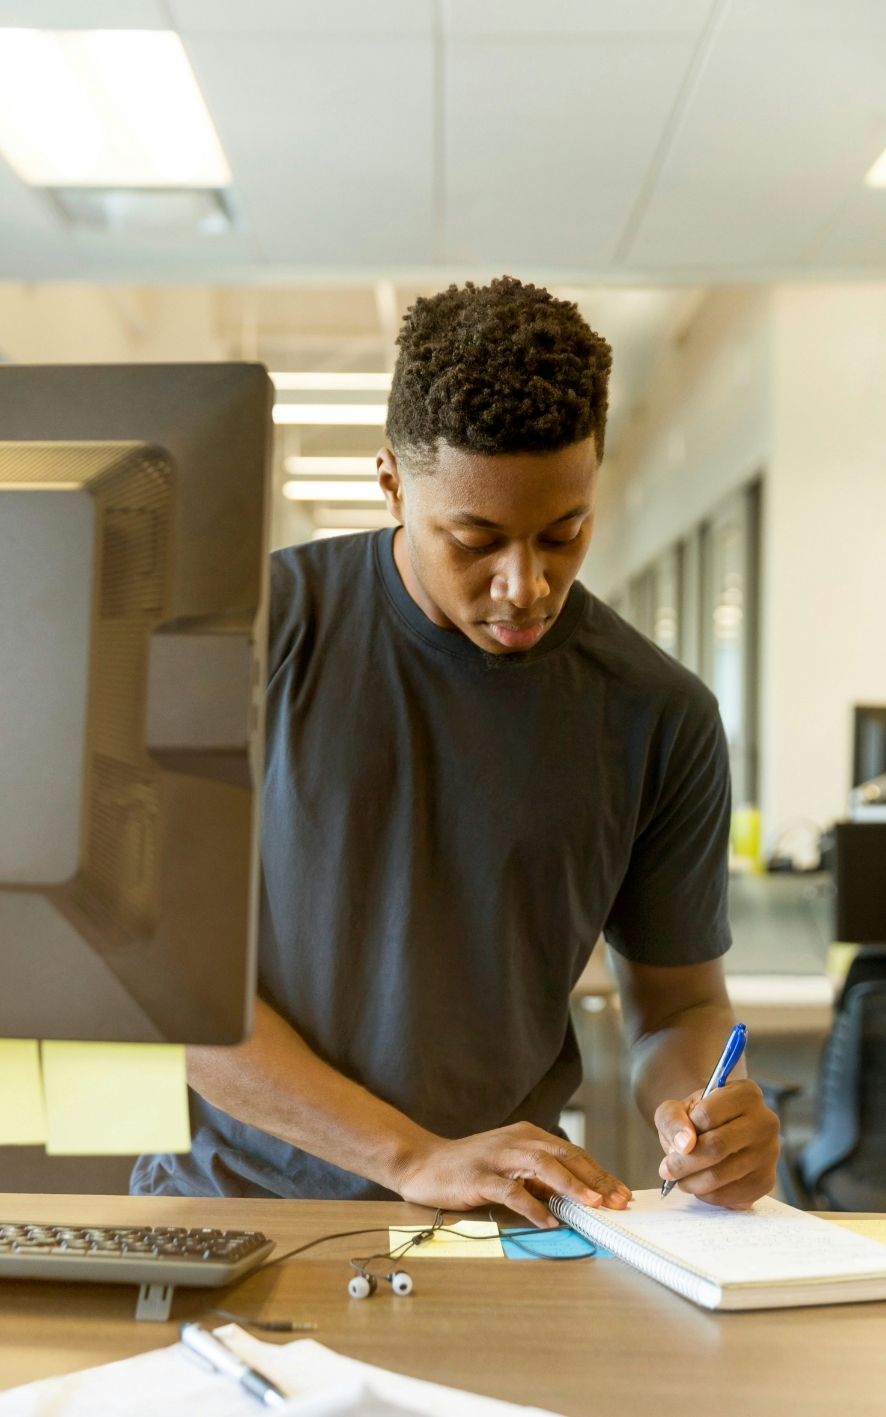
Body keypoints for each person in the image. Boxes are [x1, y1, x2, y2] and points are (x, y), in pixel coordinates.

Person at [132, 277, 779, 1225]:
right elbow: (161, 979)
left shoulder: (659, 713)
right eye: (476, 539)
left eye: (565, 534)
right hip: (234, 1207)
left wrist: (706, 1119)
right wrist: (407, 1155)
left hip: (496, 1221)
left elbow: (679, 1009)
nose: (526, 584)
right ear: (392, 480)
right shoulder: (248, 638)